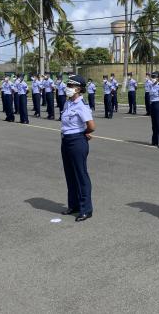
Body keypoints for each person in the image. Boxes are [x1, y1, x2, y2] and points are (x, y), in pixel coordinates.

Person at [60, 74, 96, 222]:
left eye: (70, 86)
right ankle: (73, 205)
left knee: (81, 175)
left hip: (77, 142)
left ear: (78, 89)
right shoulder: (67, 103)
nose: (67, 88)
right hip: (66, 140)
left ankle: (86, 209)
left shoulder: (82, 105)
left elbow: (91, 126)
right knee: (70, 175)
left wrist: (83, 134)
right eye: (67, 85)